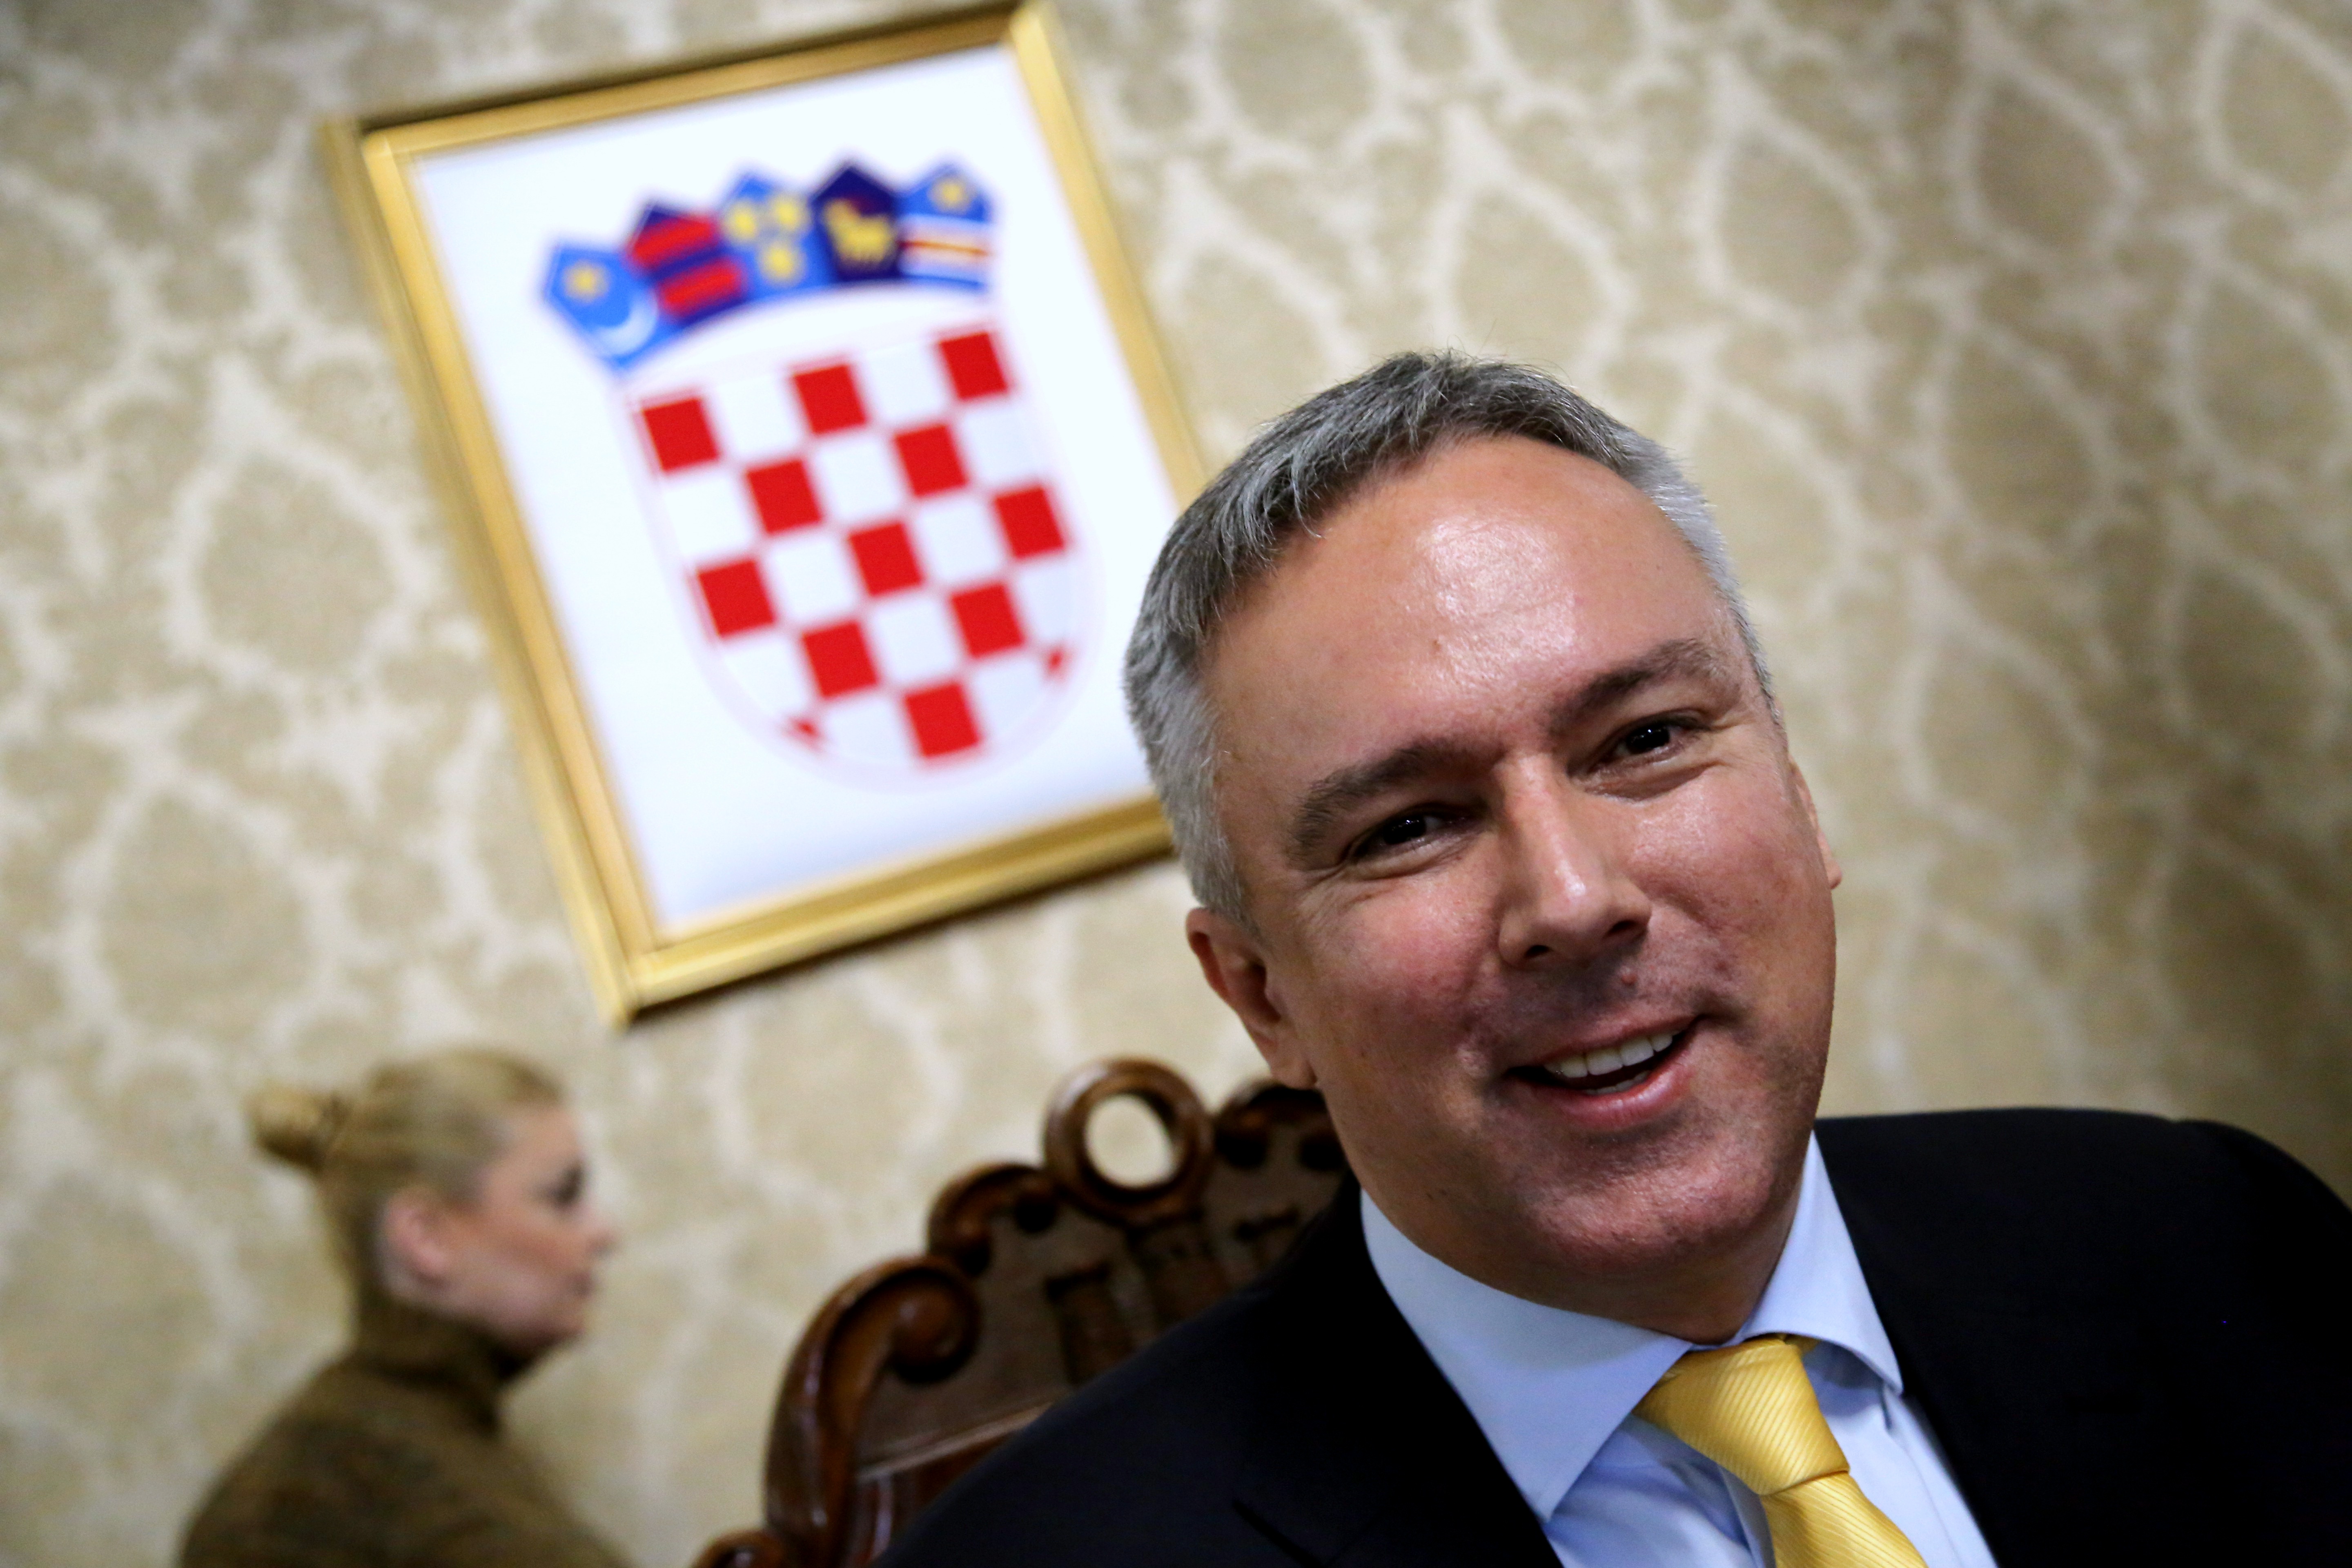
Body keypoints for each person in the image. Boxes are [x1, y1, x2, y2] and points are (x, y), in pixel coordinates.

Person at [879, 353, 2352, 1568]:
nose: (1573, 898)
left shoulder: (2213, 1238)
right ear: (1261, 993)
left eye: (1645, 739)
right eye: (1408, 825)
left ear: (1801, 795)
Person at [181, 1047, 626, 1568]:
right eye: (563, 1196)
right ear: (425, 1237)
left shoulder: (396, 1451)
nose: (604, 1233)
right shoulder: (339, 1498)